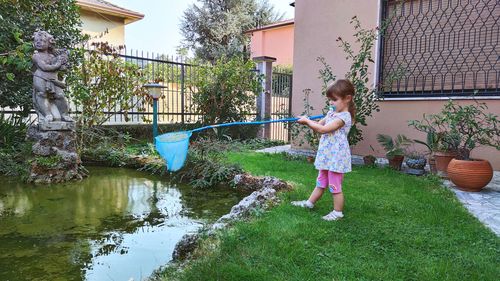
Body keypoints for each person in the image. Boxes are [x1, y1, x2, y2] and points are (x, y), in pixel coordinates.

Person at [291, 79, 355, 221]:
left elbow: (323, 129)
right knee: (321, 181)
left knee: (334, 185)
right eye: (329, 100)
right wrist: (308, 120)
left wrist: (308, 122)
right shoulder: (331, 114)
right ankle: (309, 203)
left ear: (347, 98)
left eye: (334, 100)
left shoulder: (344, 117)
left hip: (336, 157)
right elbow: (319, 124)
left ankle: (338, 212)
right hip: (327, 156)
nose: (331, 103)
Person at [32, 30, 73, 123]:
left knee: (60, 95)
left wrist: (63, 61)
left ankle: (64, 114)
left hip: (53, 78)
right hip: (40, 77)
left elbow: (62, 68)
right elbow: (44, 67)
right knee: (42, 94)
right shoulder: (36, 56)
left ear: (49, 43)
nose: (38, 42)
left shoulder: (52, 55)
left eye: (42, 40)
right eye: (36, 40)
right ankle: (47, 114)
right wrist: (58, 64)